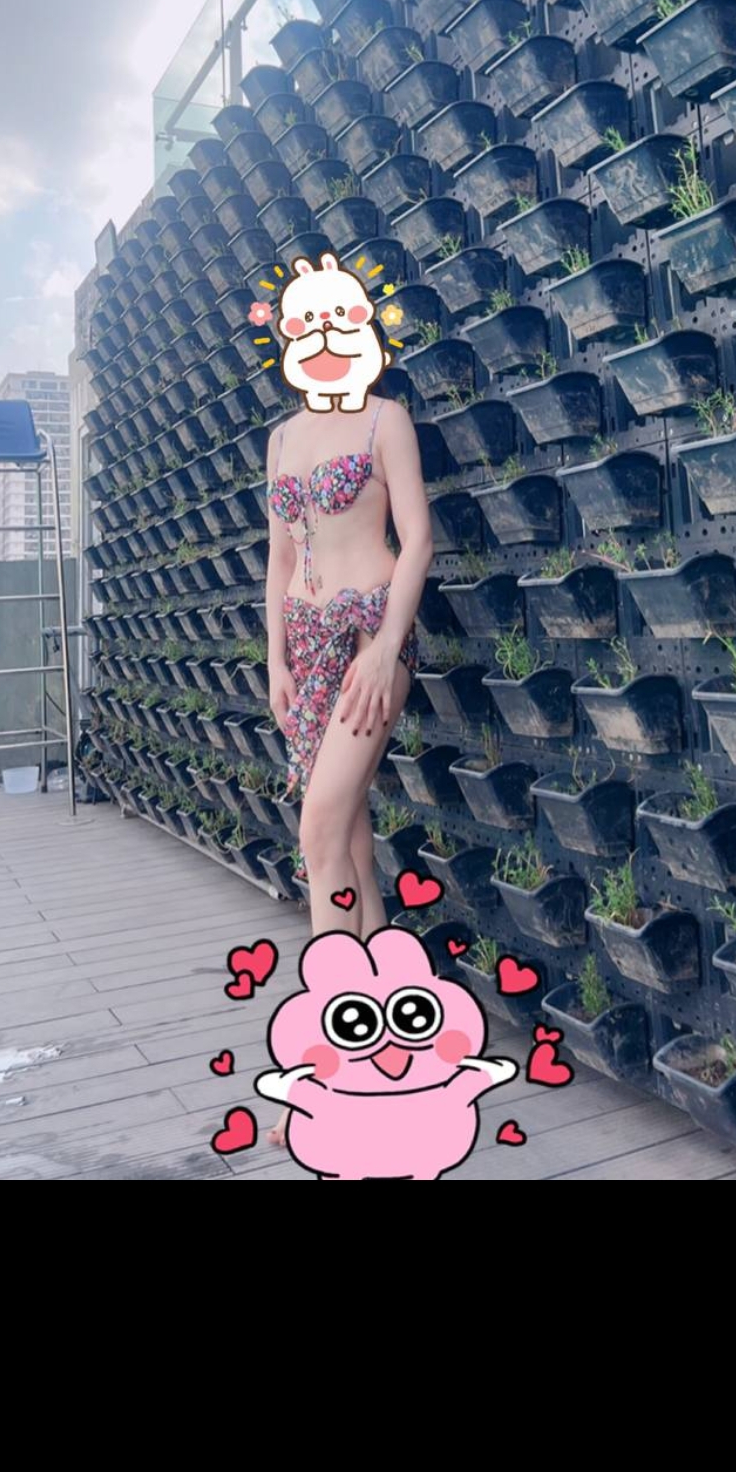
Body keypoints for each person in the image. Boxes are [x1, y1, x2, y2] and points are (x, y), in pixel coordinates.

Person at [263, 386, 432, 1145]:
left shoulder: (384, 419)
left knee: (320, 832)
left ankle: (324, 1069)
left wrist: (389, 645)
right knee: (353, 851)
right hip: (304, 646)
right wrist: (275, 660)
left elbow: (417, 540)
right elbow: (281, 558)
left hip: (369, 637)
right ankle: (396, 1050)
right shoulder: (281, 437)